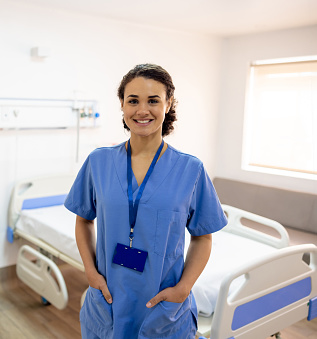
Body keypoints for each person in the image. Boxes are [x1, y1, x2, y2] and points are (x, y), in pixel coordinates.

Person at [64, 63, 228, 338]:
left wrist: (184, 288)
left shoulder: (191, 169)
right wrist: (91, 273)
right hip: (108, 300)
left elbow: (203, 237)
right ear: (122, 105)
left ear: (168, 103)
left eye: (153, 100)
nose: (142, 110)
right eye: (133, 101)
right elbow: (83, 220)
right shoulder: (99, 162)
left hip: (163, 306)